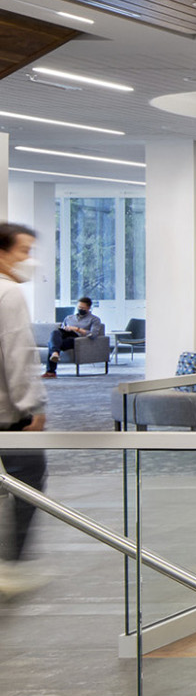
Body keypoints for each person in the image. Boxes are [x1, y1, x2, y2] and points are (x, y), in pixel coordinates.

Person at [0, 223, 48, 599]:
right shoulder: (9, 293)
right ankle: (11, 563)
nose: (29, 261)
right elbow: (17, 355)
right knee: (29, 478)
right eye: (23, 251)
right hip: (8, 415)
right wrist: (32, 406)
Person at [43, 295, 104, 376]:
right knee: (55, 333)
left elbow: (93, 335)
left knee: (52, 344)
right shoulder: (69, 317)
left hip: (78, 339)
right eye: (79, 307)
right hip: (65, 335)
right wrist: (67, 328)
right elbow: (61, 329)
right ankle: (55, 353)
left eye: (83, 308)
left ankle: (51, 371)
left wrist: (77, 329)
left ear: (89, 308)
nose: (80, 309)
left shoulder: (94, 319)